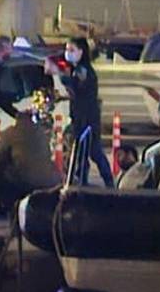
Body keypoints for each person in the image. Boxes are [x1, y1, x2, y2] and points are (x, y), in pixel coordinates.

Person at [47, 37, 113, 187]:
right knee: (83, 152)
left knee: (92, 151)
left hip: (87, 118)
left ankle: (105, 182)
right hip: (82, 116)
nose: (68, 53)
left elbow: (77, 89)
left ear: (81, 52)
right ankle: (84, 180)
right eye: (67, 49)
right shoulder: (77, 69)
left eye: (72, 50)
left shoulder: (83, 70)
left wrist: (61, 75)